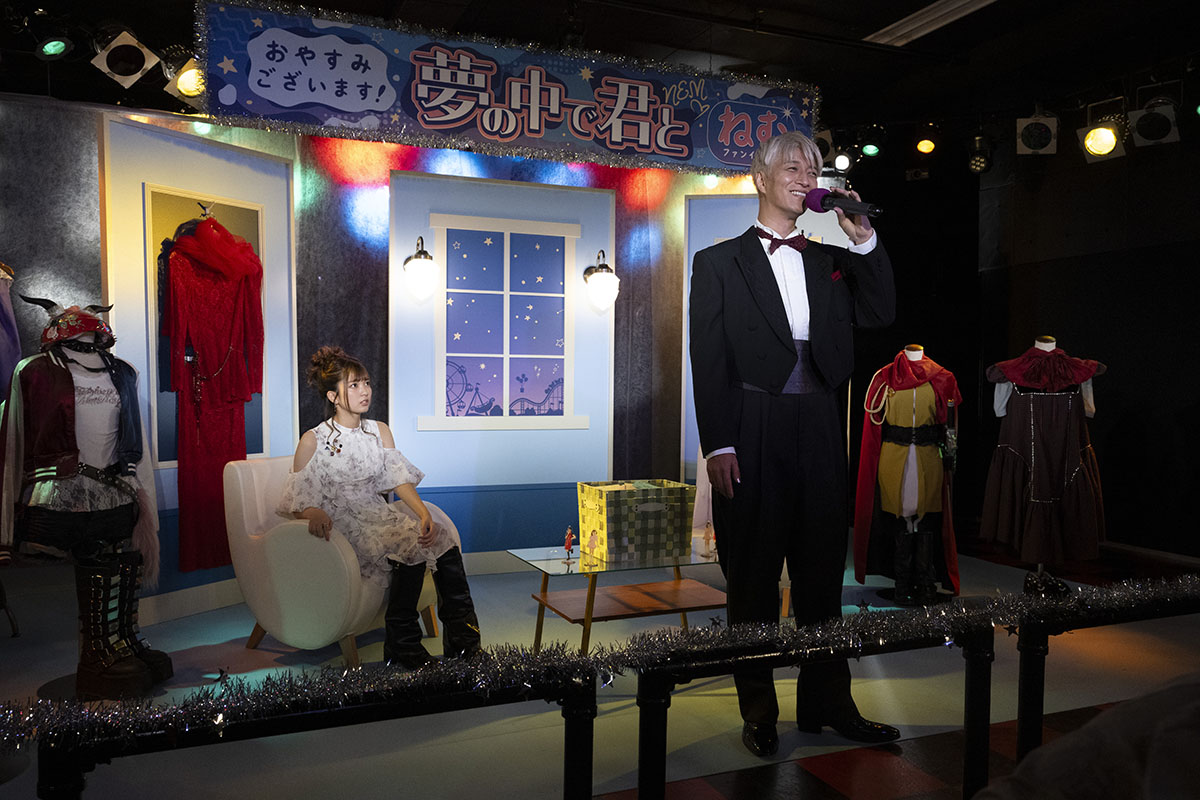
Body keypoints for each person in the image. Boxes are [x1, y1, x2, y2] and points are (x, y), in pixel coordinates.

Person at [689, 130, 898, 756]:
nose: (806, 177)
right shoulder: (718, 262)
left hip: (820, 422)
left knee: (821, 576)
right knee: (752, 579)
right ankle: (758, 710)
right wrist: (718, 444)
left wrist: (864, 239)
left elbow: (881, 313)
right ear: (761, 178)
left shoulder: (830, 258)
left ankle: (827, 704)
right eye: (792, 167)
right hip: (752, 422)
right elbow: (708, 360)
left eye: (813, 169)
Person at [1, 298, 169, 698]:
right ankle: (97, 654)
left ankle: (121, 641)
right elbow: (13, 441)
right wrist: (6, 519)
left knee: (121, 565)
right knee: (94, 565)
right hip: (61, 495)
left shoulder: (123, 372)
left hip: (115, 490)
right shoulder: (34, 372)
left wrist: (145, 499)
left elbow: (137, 441)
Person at [279, 346, 481, 667]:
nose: (365, 391)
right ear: (333, 396)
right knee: (410, 543)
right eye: (354, 385)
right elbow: (299, 499)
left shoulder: (379, 431)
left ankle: (465, 644)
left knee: (441, 537)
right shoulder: (313, 439)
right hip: (345, 524)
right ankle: (402, 645)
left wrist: (423, 513)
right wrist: (313, 512)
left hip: (378, 514)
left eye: (367, 383)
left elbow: (398, 479)